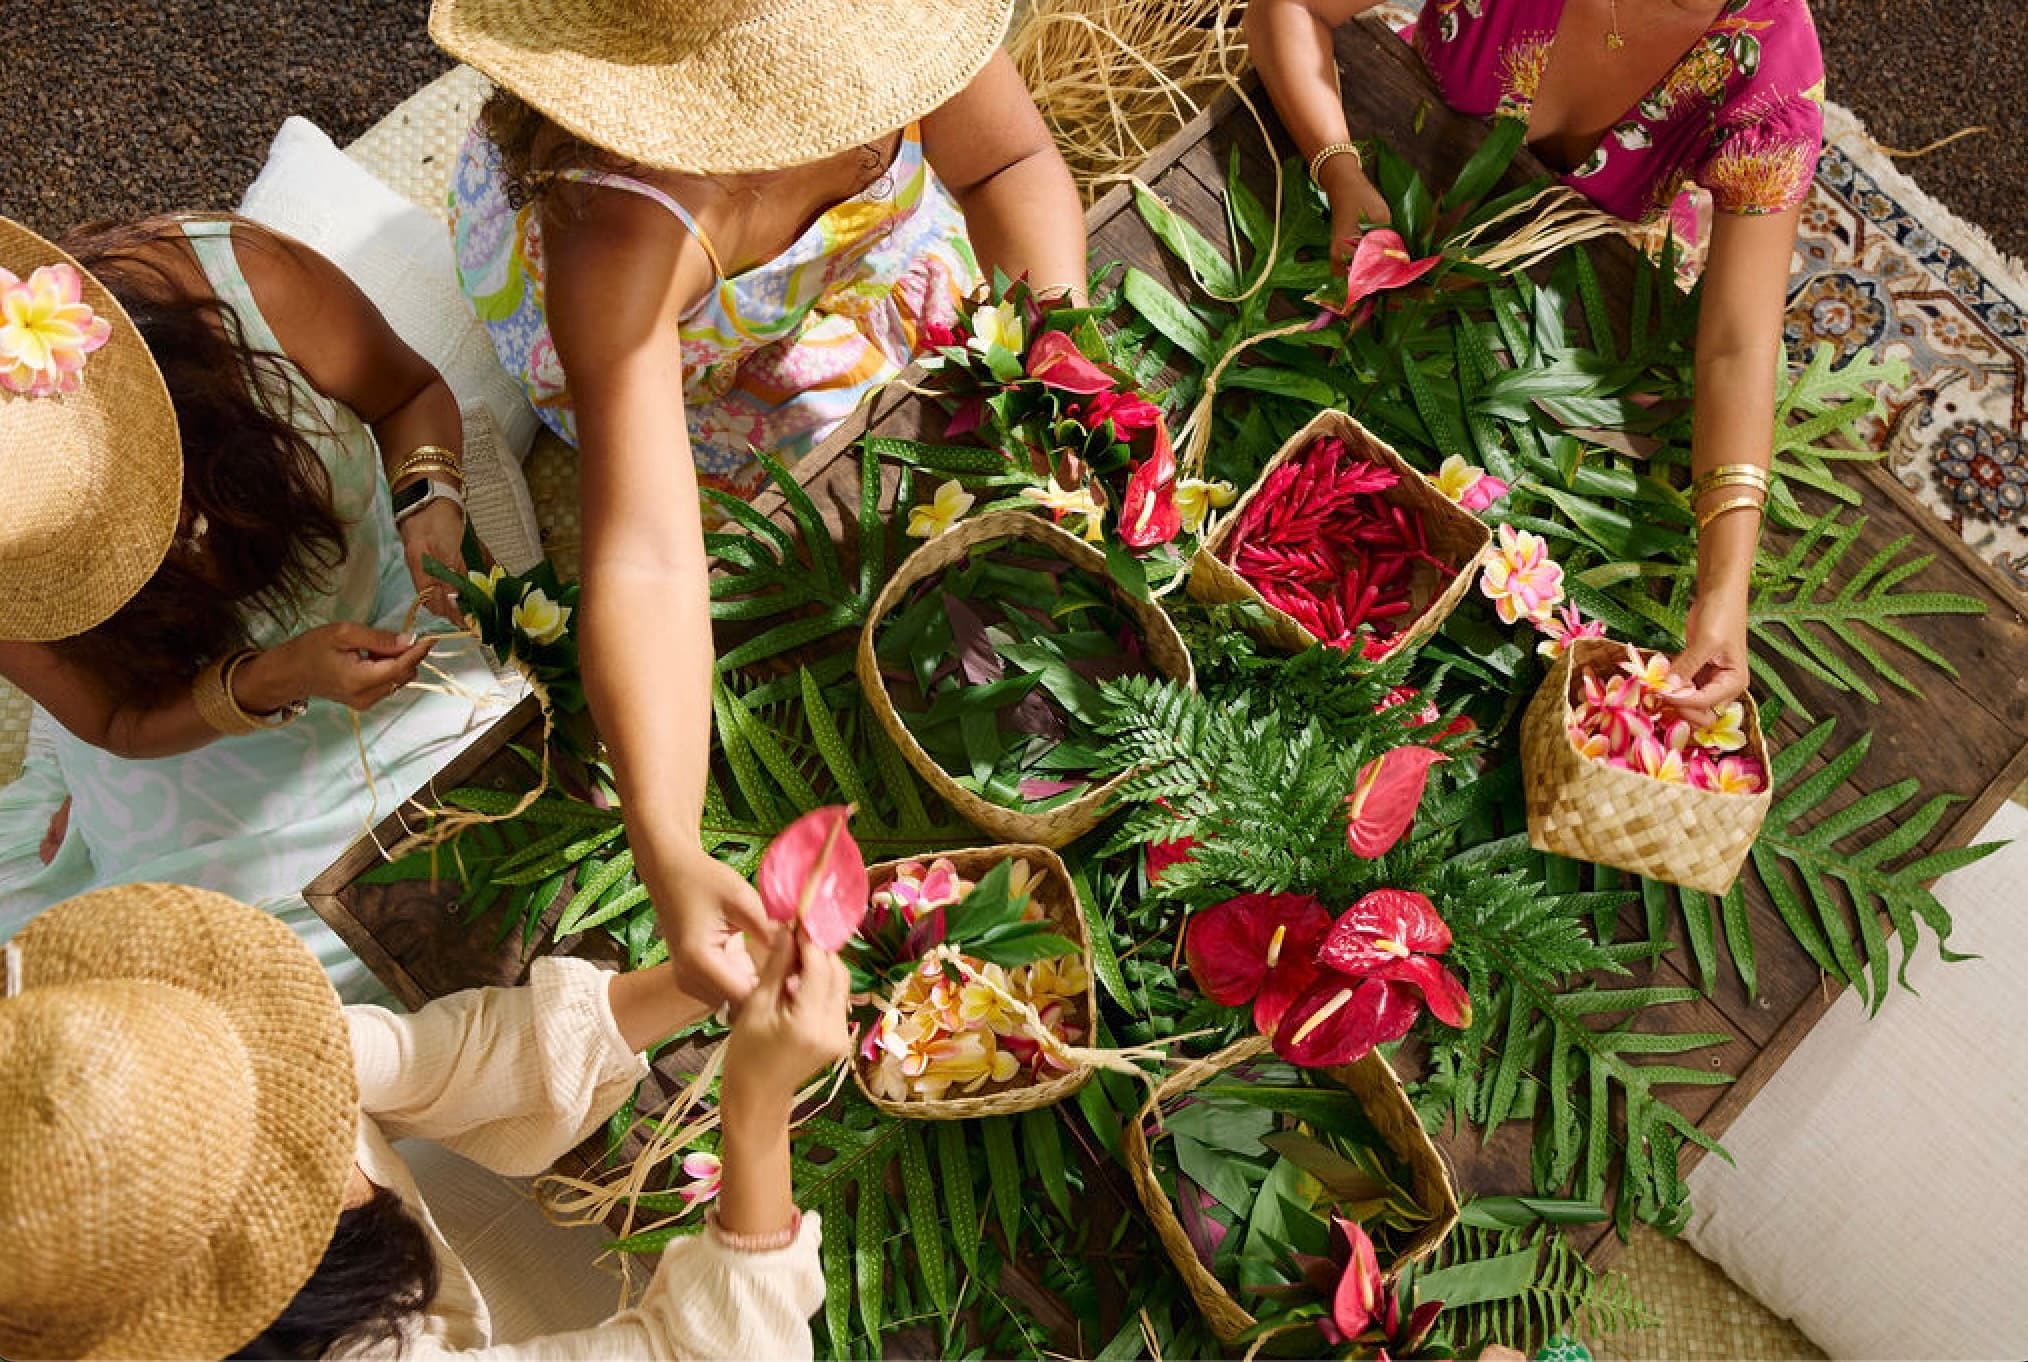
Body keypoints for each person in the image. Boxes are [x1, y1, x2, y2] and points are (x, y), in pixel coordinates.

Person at [436, 0, 1090, 1010]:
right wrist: (668, 843)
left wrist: (1053, 357)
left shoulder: (893, 38)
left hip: (834, 262)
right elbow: (647, 558)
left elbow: (1009, 168)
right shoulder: (618, 231)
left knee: (947, 376)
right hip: (660, 341)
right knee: (789, 489)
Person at [1246, 0, 1825, 719]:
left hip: (1548, 302)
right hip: (1387, 181)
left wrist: (1722, 593)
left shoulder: (1770, 75)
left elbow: (1739, 348)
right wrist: (1339, 172)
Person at [0, 880, 847, 1359]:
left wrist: (701, 978)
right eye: (273, 1142)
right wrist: (756, 1105)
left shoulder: (213, 1039)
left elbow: (439, 1059)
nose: (304, 1090)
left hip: (442, 1257)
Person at [0, 216, 515, 999]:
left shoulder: (246, 283)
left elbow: (407, 393)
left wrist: (428, 501)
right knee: (238, 983)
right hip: (200, 727)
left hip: (389, 612)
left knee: (495, 840)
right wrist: (270, 681)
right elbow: (116, 722)